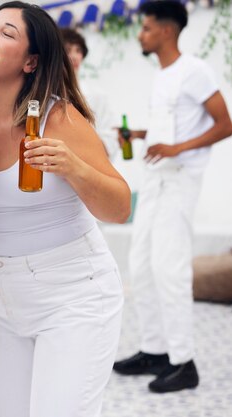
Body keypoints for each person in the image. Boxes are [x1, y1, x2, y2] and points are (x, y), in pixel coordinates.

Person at [0, 2, 131, 416]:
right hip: (1, 298)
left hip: (74, 294)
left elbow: (120, 206)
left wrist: (73, 168)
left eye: (6, 33)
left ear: (31, 61)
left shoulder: (56, 117)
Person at [113, 0, 232, 394]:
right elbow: (171, 129)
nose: (141, 35)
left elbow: (224, 123)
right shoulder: (163, 75)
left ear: (165, 30)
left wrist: (177, 149)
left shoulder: (193, 71)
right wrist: (141, 137)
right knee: (141, 265)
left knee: (171, 270)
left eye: (146, 28)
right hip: (155, 181)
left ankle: (184, 363)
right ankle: (154, 350)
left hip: (180, 181)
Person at [60, 28, 119, 158]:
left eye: (78, 51)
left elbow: (111, 136)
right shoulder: (46, 95)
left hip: (90, 165)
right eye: (68, 50)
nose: (74, 56)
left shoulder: (96, 95)